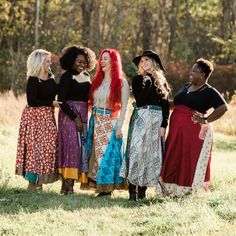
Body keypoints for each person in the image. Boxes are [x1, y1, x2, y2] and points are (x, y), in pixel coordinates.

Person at [159, 58, 228, 197]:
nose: (191, 72)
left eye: (194, 70)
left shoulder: (209, 91)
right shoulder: (186, 86)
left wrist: (206, 119)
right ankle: (171, 190)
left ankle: (187, 191)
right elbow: (177, 104)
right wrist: (161, 101)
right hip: (176, 131)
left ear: (202, 74)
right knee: (174, 156)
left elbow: (223, 107)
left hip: (193, 132)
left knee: (188, 159)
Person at [120, 50, 171, 201]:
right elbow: (141, 100)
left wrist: (164, 124)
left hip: (156, 120)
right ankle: (132, 190)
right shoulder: (137, 80)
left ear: (154, 62)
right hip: (142, 117)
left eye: (146, 60)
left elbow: (165, 106)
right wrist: (147, 82)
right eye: (141, 61)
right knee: (137, 152)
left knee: (149, 154)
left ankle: (142, 190)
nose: (143, 63)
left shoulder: (162, 82)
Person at [87, 48, 130, 197]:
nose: (102, 61)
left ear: (113, 61)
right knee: (96, 154)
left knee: (108, 155)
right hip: (96, 120)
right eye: (101, 58)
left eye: (105, 58)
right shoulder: (97, 81)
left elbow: (125, 107)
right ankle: (98, 185)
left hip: (110, 122)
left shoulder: (121, 82)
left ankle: (107, 189)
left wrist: (119, 127)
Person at [16, 49, 60, 192]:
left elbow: (56, 92)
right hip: (34, 118)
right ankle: (32, 182)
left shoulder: (51, 77)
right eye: (47, 61)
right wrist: (51, 103)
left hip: (47, 117)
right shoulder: (33, 79)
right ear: (39, 63)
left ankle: (41, 180)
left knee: (48, 148)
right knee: (34, 149)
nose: (50, 63)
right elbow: (32, 101)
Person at [57, 45, 96, 195]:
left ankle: (67, 185)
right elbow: (61, 102)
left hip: (84, 115)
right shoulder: (67, 76)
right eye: (79, 61)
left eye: (84, 61)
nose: (82, 64)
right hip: (69, 117)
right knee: (71, 148)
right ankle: (68, 186)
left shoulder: (87, 76)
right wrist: (75, 118)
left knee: (80, 150)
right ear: (72, 61)